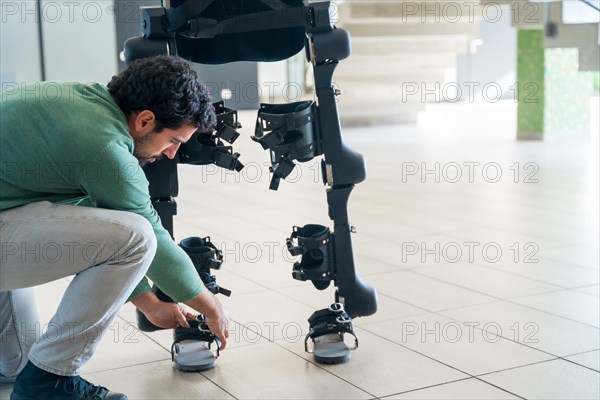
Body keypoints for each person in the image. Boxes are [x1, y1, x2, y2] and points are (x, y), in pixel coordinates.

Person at [0, 55, 229, 400]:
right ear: (145, 120)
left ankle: (24, 375)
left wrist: (149, 303)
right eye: (173, 141)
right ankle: (50, 383)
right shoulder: (105, 147)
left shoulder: (85, 103)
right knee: (138, 236)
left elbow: (100, 216)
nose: (170, 154)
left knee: (17, 367)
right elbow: (145, 236)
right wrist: (212, 307)